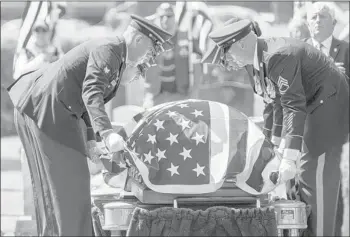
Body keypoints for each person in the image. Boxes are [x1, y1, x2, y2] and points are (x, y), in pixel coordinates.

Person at [7, 14, 172, 236]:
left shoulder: (115, 55)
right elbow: (91, 92)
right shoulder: (110, 49)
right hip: (48, 111)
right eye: (149, 53)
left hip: (50, 110)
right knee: (71, 188)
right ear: (139, 40)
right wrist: (107, 133)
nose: (145, 61)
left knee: (59, 191)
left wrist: (92, 140)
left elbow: (85, 102)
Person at [202, 19, 349, 236]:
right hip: (313, 108)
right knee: (299, 182)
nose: (227, 61)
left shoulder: (277, 56)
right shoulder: (259, 60)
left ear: (241, 44)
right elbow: (276, 104)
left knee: (313, 176)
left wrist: (288, 156)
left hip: (327, 108)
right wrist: (275, 147)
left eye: (227, 52)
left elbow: (293, 104)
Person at [305, 2, 349, 78]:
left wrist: (341, 78)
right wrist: (327, 71)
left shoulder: (347, 50)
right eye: (314, 17)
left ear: (333, 23)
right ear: (308, 25)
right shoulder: (300, 49)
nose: (318, 20)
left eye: (322, 16)